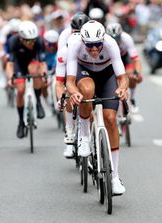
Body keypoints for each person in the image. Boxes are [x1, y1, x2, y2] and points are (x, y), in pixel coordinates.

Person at [66, 20, 128, 195]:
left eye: (97, 45)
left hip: (107, 75)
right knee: (86, 90)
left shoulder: (110, 43)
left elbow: (123, 77)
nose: (94, 50)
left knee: (110, 118)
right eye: (90, 46)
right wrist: (74, 93)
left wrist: (122, 88)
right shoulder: (75, 44)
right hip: (84, 73)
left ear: (103, 40)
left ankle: (115, 177)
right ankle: (84, 137)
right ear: (83, 42)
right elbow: (69, 82)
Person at [56, 12, 90, 158]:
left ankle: (91, 137)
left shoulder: (91, 41)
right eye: (75, 32)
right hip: (67, 64)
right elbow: (59, 81)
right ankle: (69, 133)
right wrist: (61, 99)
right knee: (68, 95)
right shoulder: (64, 37)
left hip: (86, 67)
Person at [6, 21, 47, 138]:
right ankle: (20, 122)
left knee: (36, 72)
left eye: (34, 39)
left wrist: (44, 75)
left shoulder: (39, 41)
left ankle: (38, 102)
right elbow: (10, 64)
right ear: (21, 39)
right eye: (29, 41)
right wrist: (10, 78)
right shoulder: (13, 41)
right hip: (19, 64)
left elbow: (42, 62)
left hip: (32, 62)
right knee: (20, 90)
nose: (32, 43)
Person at [106, 22, 143, 113]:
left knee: (131, 76)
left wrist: (137, 73)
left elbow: (136, 59)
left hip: (124, 59)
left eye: (117, 38)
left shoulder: (127, 38)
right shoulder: (104, 40)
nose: (115, 40)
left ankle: (132, 99)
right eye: (112, 38)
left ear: (121, 35)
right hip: (110, 60)